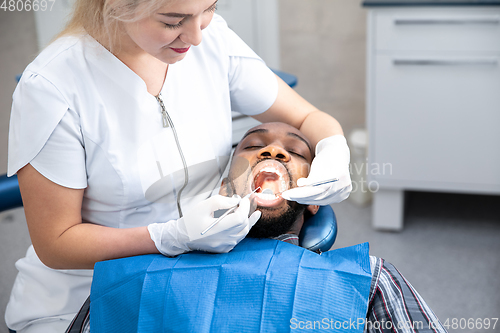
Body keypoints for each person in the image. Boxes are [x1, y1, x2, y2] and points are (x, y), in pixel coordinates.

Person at [5, 1, 353, 332]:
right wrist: (169, 236)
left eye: (209, 8)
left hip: (200, 274)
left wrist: (333, 145)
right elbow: (56, 244)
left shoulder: (213, 39)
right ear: (116, 5)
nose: (197, 35)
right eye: (173, 21)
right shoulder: (52, 88)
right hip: (89, 294)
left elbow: (307, 117)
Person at [69, 122, 447, 333]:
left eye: (296, 152)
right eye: (253, 146)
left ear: (317, 197)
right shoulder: (130, 277)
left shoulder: (368, 284)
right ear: (221, 186)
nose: (274, 152)